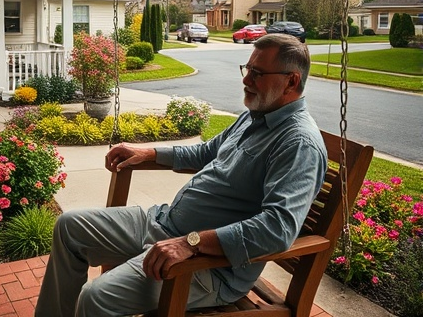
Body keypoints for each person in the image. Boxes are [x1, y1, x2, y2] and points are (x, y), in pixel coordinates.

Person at [35, 33, 327, 316]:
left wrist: (191, 243)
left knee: (95, 298)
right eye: (247, 68)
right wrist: (148, 153)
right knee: (69, 227)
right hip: (164, 223)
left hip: (207, 266)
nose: (246, 79)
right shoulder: (255, 116)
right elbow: (205, 152)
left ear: (291, 80)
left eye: (257, 73)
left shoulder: (298, 143)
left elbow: (277, 229)